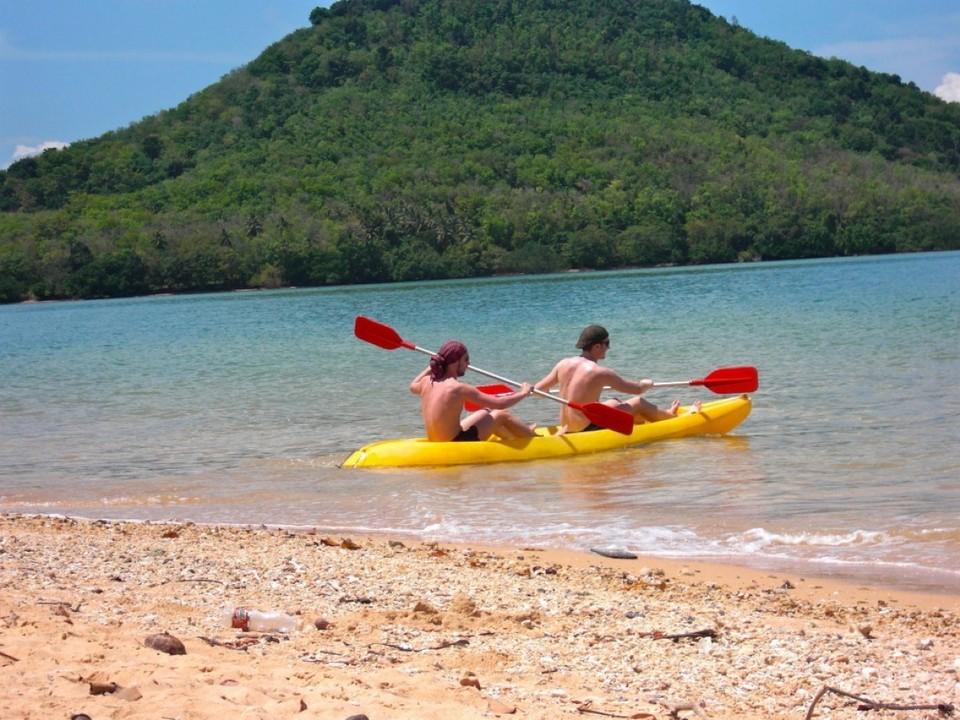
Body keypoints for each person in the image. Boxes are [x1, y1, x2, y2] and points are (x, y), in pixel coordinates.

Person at [535, 325, 701, 433]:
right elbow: (636, 389)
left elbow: (538, 391)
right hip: (587, 429)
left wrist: (543, 391)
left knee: (614, 401)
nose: (609, 348)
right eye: (607, 343)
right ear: (597, 346)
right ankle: (676, 419)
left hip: (567, 427)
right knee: (638, 402)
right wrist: (646, 383)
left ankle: (660, 416)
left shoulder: (563, 364)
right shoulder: (599, 372)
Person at [409, 340, 537, 442]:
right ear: (454, 363)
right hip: (455, 443)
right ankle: (536, 440)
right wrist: (523, 393)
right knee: (501, 414)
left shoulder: (426, 382)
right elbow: (500, 404)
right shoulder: (458, 388)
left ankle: (514, 438)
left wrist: (434, 365)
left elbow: (412, 386)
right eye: (465, 359)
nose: (468, 364)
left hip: (437, 440)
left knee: (486, 412)